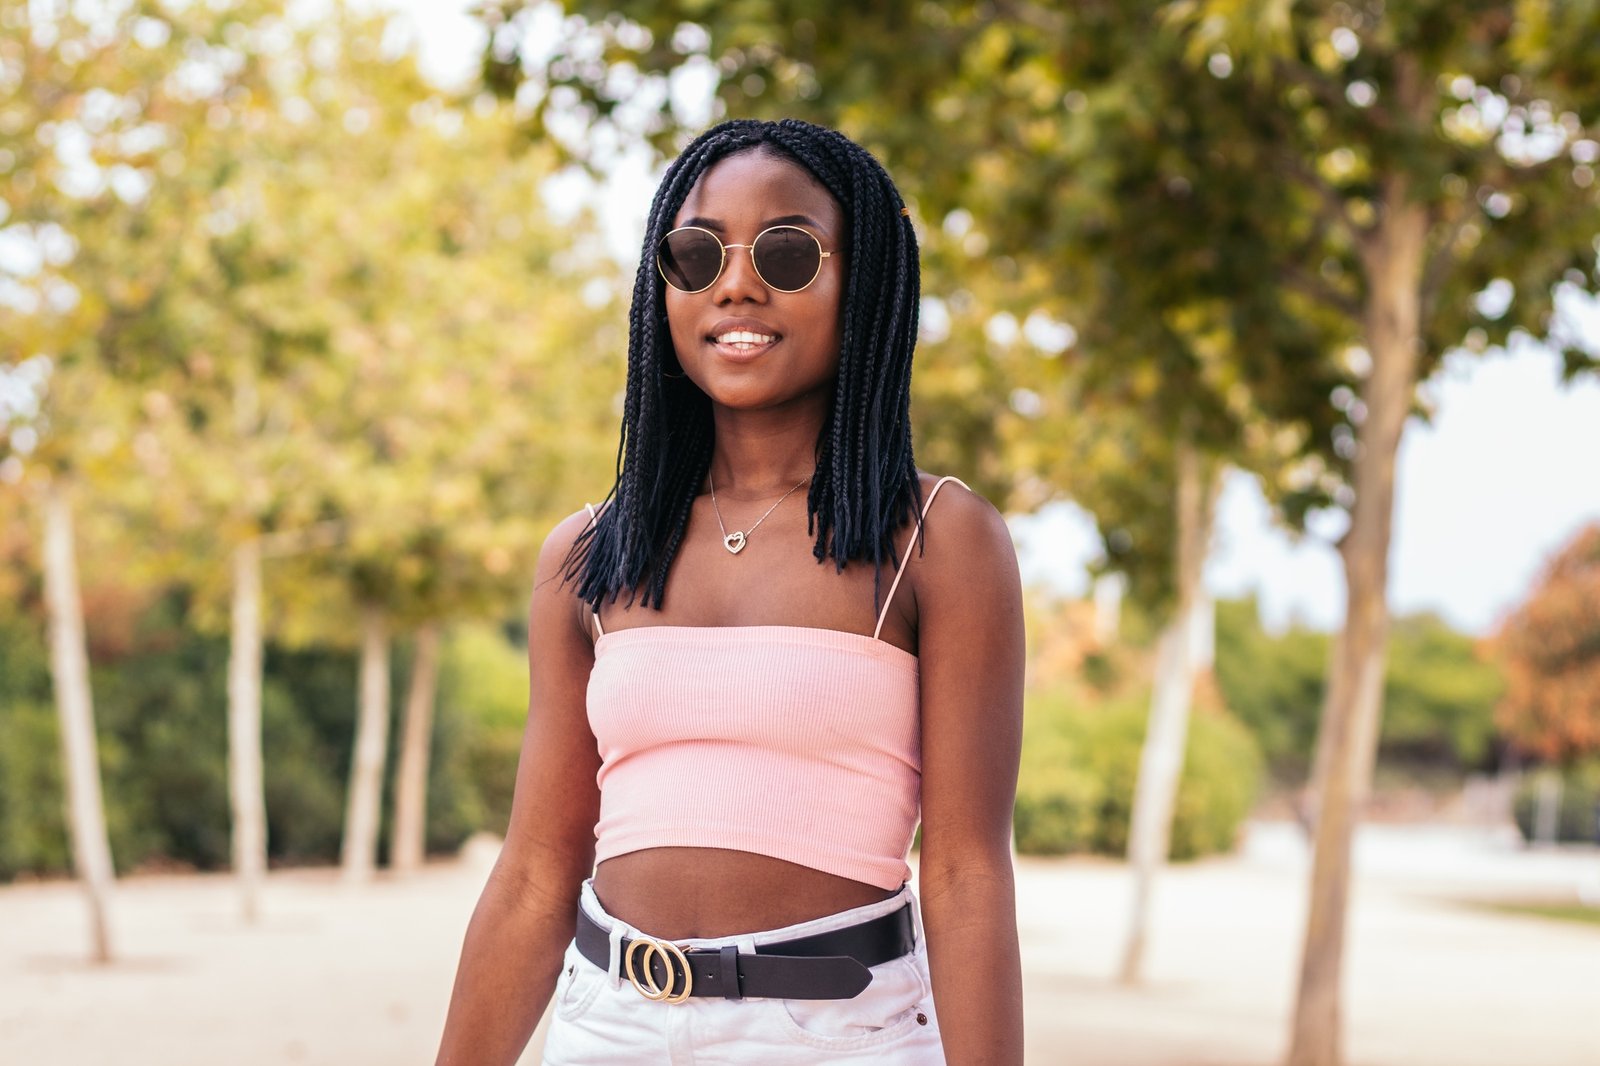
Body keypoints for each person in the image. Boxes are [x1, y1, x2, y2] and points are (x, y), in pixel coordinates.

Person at [435, 117, 1024, 1065]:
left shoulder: (940, 541)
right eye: (698, 253)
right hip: (607, 1026)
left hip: (839, 1035)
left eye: (788, 253)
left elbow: (964, 877)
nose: (737, 282)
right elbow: (537, 875)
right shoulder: (589, 554)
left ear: (862, 283)